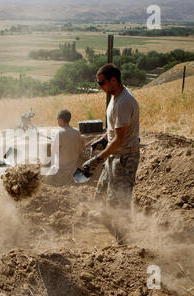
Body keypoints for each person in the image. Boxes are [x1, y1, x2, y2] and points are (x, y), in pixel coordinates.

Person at [82, 63, 140, 243]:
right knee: (101, 192)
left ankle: (124, 240)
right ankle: (109, 227)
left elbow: (120, 139)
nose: (100, 87)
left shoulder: (123, 103)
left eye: (102, 83)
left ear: (114, 80)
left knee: (119, 201)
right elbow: (115, 130)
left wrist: (98, 159)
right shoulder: (115, 97)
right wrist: (103, 137)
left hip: (124, 157)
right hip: (115, 155)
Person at [46, 109, 84, 186]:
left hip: (60, 168)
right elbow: (80, 150)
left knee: (45, 180)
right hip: (73, 167)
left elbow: (53, 151)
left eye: (57, 118)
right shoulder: (77, 132)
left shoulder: (59, 133)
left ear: (61, 119)